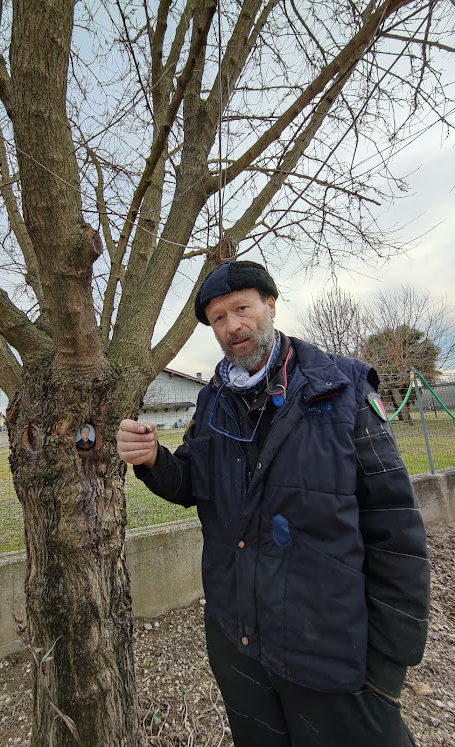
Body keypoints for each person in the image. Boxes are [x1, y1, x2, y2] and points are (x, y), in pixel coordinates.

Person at [117, 260, 430, 747]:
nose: (232, 326)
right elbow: (195, 481)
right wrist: (155, 459)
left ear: (270, 305)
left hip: (327, 652)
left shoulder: (342, 389)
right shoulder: (213, 401)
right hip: (239, 646)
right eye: (218, 318)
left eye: (241, 308)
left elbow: (396, 534)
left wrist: (389, 664)